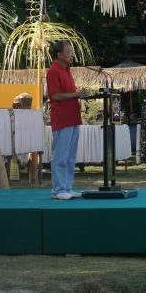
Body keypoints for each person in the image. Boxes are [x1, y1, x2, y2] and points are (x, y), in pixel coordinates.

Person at [46, 41, 92, 200]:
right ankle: (58, 190)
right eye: (68, 52)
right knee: (61, 156)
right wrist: (78, 94)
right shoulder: (53, 71)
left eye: (71, 52)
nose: (72, 55)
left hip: (73, 117)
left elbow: (68, 94)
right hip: (62, 118)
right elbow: (55, 96)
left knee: (71, 157)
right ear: (59, 55)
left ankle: (67, 188)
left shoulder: (67, 70)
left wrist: (80, 94)